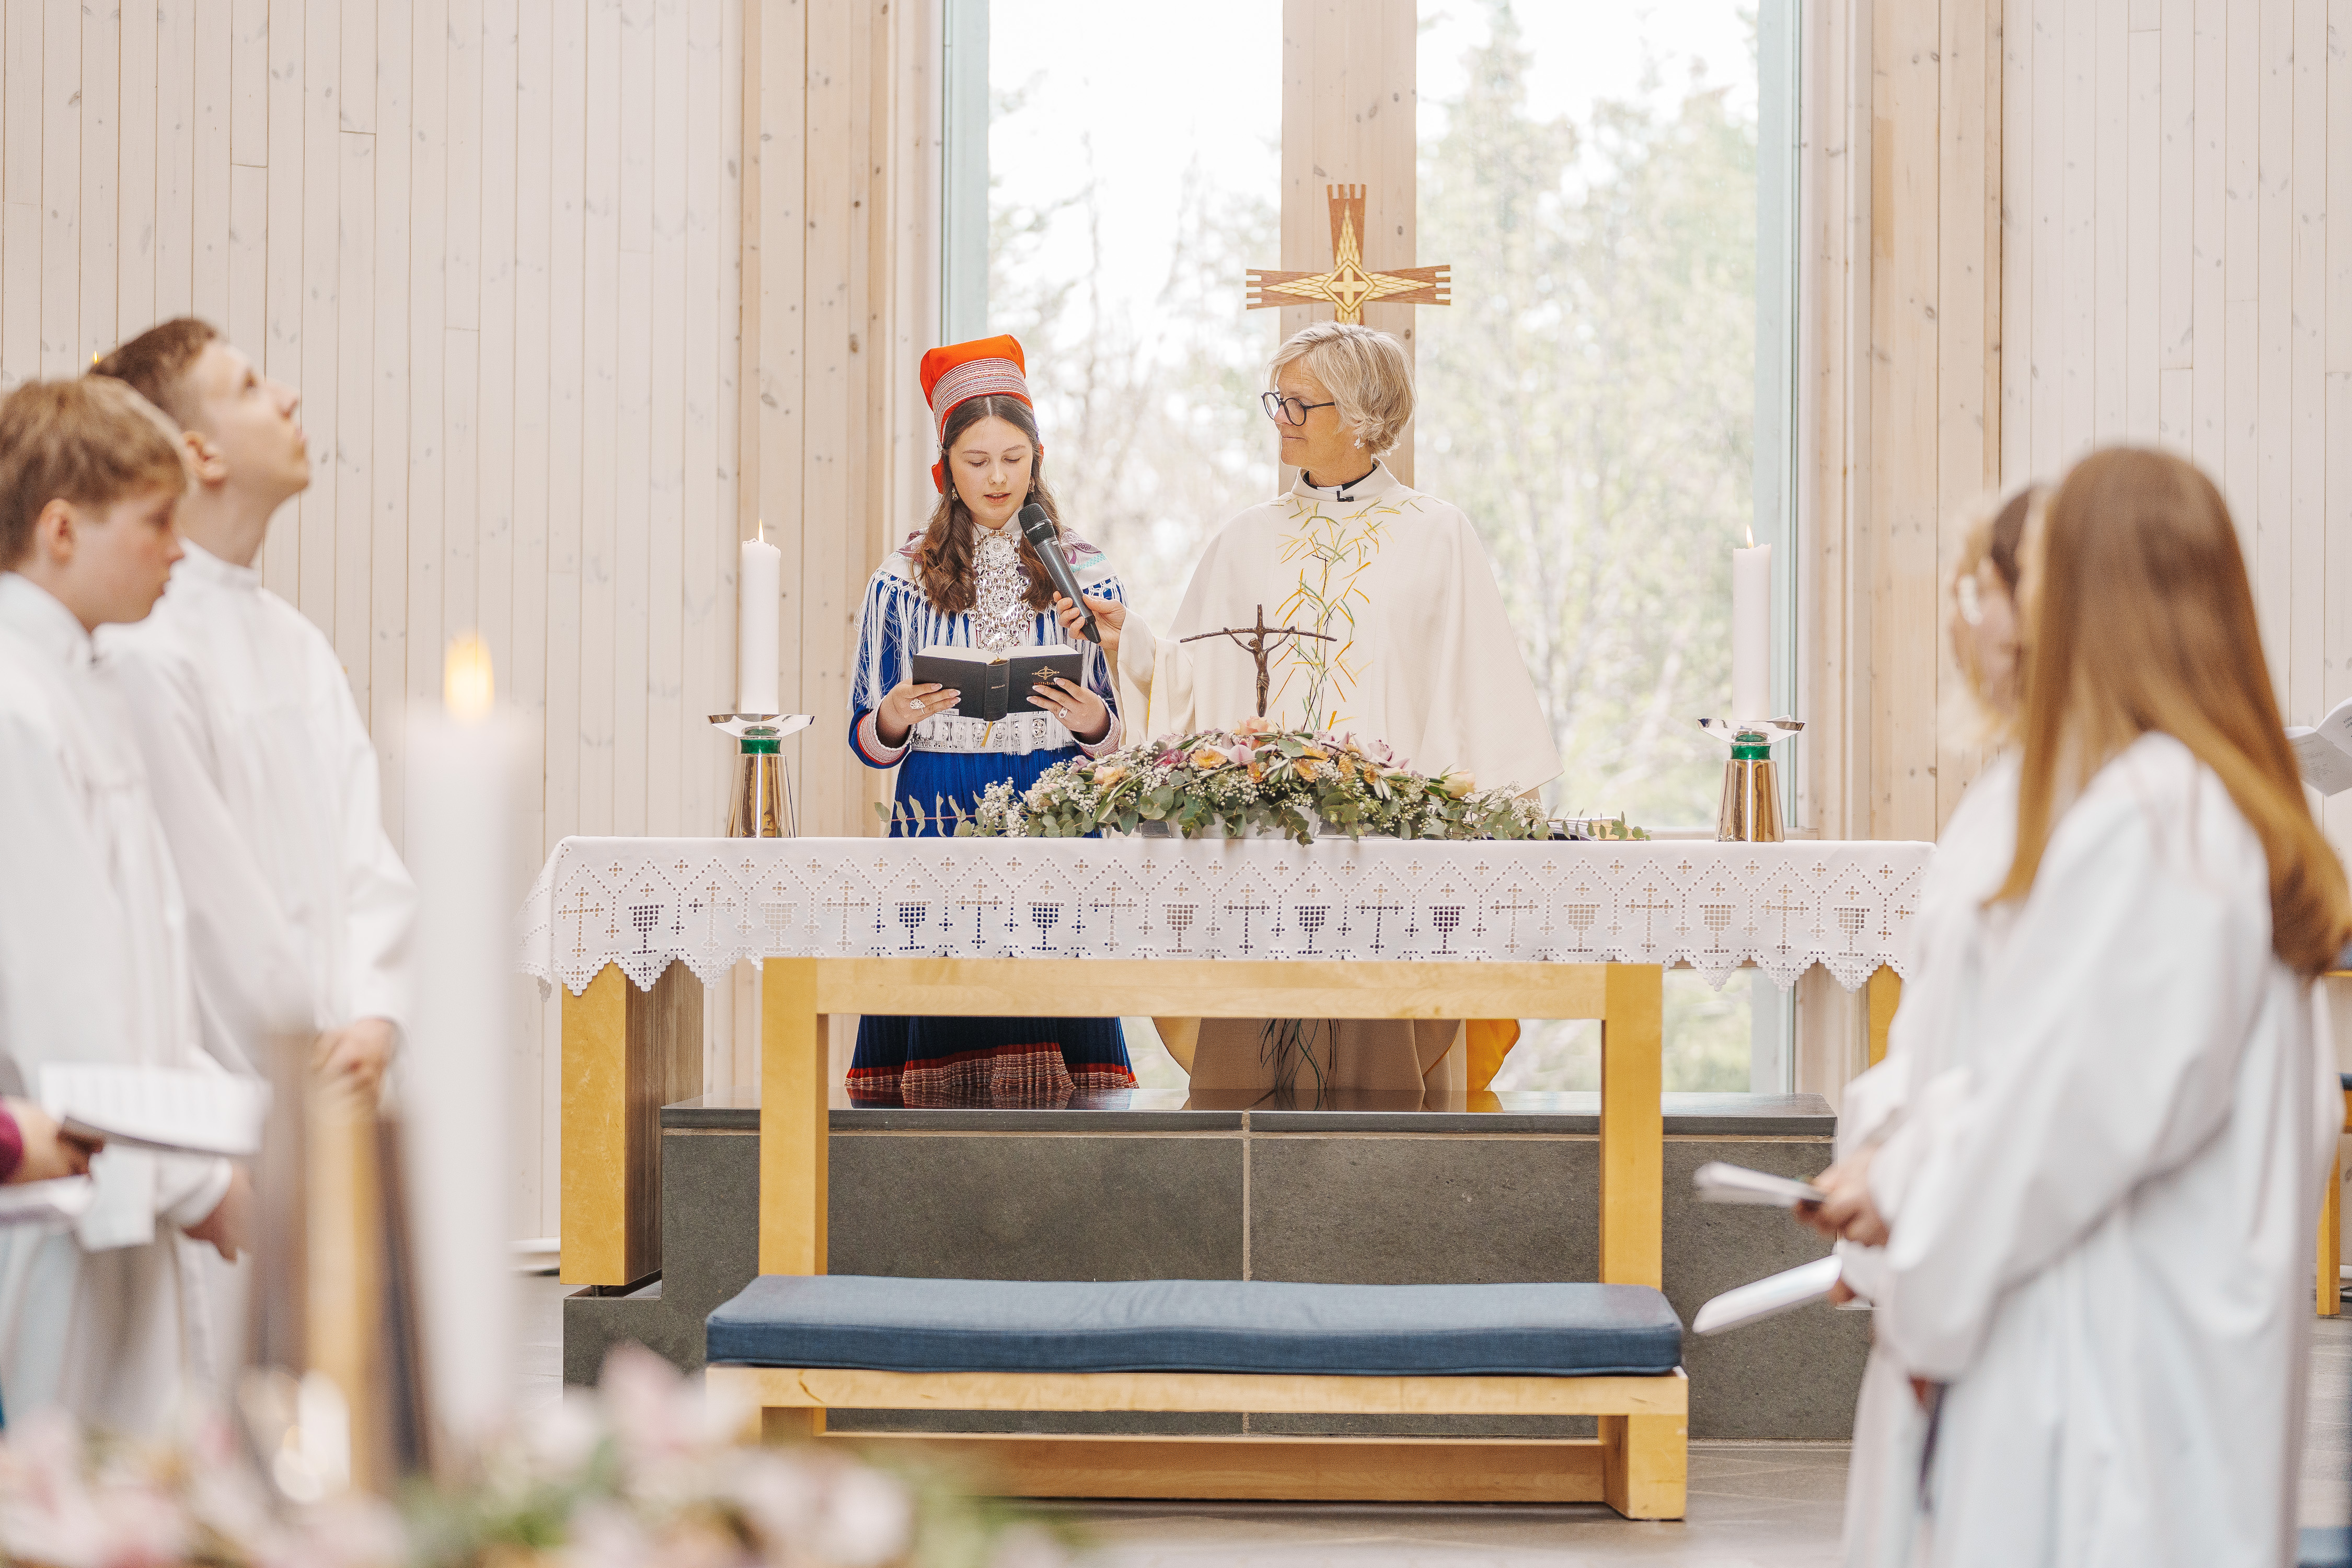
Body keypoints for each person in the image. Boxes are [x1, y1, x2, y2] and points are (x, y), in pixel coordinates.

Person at [1807, 448, 2350, 1566]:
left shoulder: (2163, 820)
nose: (1986, 617)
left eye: (2015, 582)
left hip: (2104, 1370)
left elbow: (2068, 1115)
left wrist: (1910, 1207)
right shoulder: (2122, 802)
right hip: (2055, 1316)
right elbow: (1996, 1058)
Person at [1060, 322, 1558, 1100]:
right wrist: (1139, 648)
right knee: (1251, 1090)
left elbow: (1476, 688)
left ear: (1364, 415)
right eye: (1277, 401)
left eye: (1301, 404)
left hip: (1392, 865)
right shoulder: (1244, 539)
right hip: (1262, 868)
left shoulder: (1438, 536)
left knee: (1386, 1088)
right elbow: (1199, 687)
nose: (1281, 419)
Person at [0, 377, 251, 1434]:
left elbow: (145, 977)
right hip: (53, 1204)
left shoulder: (83, 681)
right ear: (60, 528)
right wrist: (203, 1183)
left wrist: (239, 1136)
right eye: (155, 522)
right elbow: (65, 1003)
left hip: (127, 1167)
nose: (178, 551)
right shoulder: (16, 704)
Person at [1797, 486, 2033, 1562]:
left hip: (2033, 1306)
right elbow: (1944, 1037)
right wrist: (1881, 1168)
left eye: (1978, 586)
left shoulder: (2132, 811)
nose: (1959, 616)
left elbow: (2064, 1093)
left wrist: (1902, 1186)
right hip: (1951, 1251)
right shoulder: (2016, 788)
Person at [90, 319, 414, 1098]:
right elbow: (211, 908)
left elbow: (363, 856)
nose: (288, 395)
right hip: (241, 1090)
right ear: (200, 454)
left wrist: (376, 1013)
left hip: (344, 1072)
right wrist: (303, 1059)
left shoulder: (295, 641)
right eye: (248, 386)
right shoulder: (144, 648)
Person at [844, 335, 1135, 1106]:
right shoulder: (900, 580)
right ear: (946, 469)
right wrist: (896, 718)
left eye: (1014, 458)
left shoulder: (1086, 569)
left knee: (1049, 1009)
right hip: (940, 805)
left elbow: (1128, 741)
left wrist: (1094, 721)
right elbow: (866, 740)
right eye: (978, 461)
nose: (999, 478)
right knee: (951, 1004)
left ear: (1037, 457)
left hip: (1053, 805)